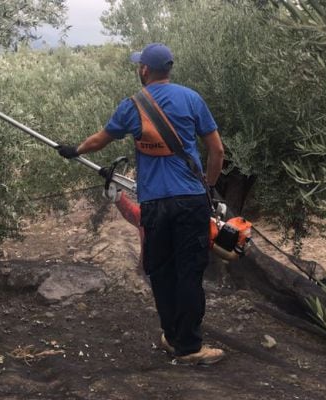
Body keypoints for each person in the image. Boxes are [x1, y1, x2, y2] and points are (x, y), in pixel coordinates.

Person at [56, 43, 226, 364]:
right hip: (191, 200)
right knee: (189, 272)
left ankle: (174, 339)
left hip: (154, 204)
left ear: (145, 70)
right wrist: (211, 187)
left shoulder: (132, 106)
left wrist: (75, 150)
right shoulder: (192, 98)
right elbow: (217, 151)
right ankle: (188, 345)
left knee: (161, 272)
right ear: (168, 69)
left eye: (139, 65)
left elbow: (100, 139)